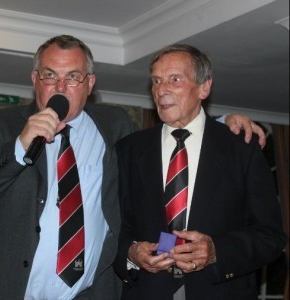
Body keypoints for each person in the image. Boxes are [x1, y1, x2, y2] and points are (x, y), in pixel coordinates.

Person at [0, 35, 267, 300]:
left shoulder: (114, 125)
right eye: (50, 75)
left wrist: (221, 125)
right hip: (17, 292)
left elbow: (174, 138)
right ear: (35, 79)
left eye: (73, 77)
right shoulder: (0, 126)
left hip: (94, 292)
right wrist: (20, 146)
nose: (61, 86)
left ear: (89, 84)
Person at [113, 44, 286, 300]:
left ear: (204, 87)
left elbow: (270, 237)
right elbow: (111, 227)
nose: (161, 90)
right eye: (156, 81)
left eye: (175, 79)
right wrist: (130, 253)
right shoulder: (128, 149)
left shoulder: (241, 149)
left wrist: (217, 250)